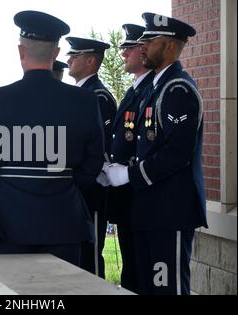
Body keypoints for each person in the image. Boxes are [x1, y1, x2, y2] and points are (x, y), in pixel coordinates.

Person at [0, 10, 104, 267]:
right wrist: (65, 188)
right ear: (56, 53)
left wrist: (2, 200)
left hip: (11, 223)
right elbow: (93, 161)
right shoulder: (84, 101)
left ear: (21, 52)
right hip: (64, 220)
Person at [105, 12, 208, 295]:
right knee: (147, 288)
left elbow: (178, 153)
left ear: (171, 47)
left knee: (166, 289)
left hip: (170, 210)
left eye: (150, 41)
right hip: (150, 209)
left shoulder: (177, 89)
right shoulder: (155, 88)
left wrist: (129, 174)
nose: (143, 47)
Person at [106, 23, 154, 292]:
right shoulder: (136, 89)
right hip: (126, 195)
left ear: (144, 51)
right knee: (131, 270)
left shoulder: (151, 90)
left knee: (141, 272)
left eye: (129, 48)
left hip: (139, 193)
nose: (124, 54)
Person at [66, 36, 117, 278]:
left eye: (74, 57)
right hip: (79, 187)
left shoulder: (98, 95)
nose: (68, 61)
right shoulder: (82, 93)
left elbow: (100, 146)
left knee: (91, 256)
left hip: (93, 187)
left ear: (90, 61)